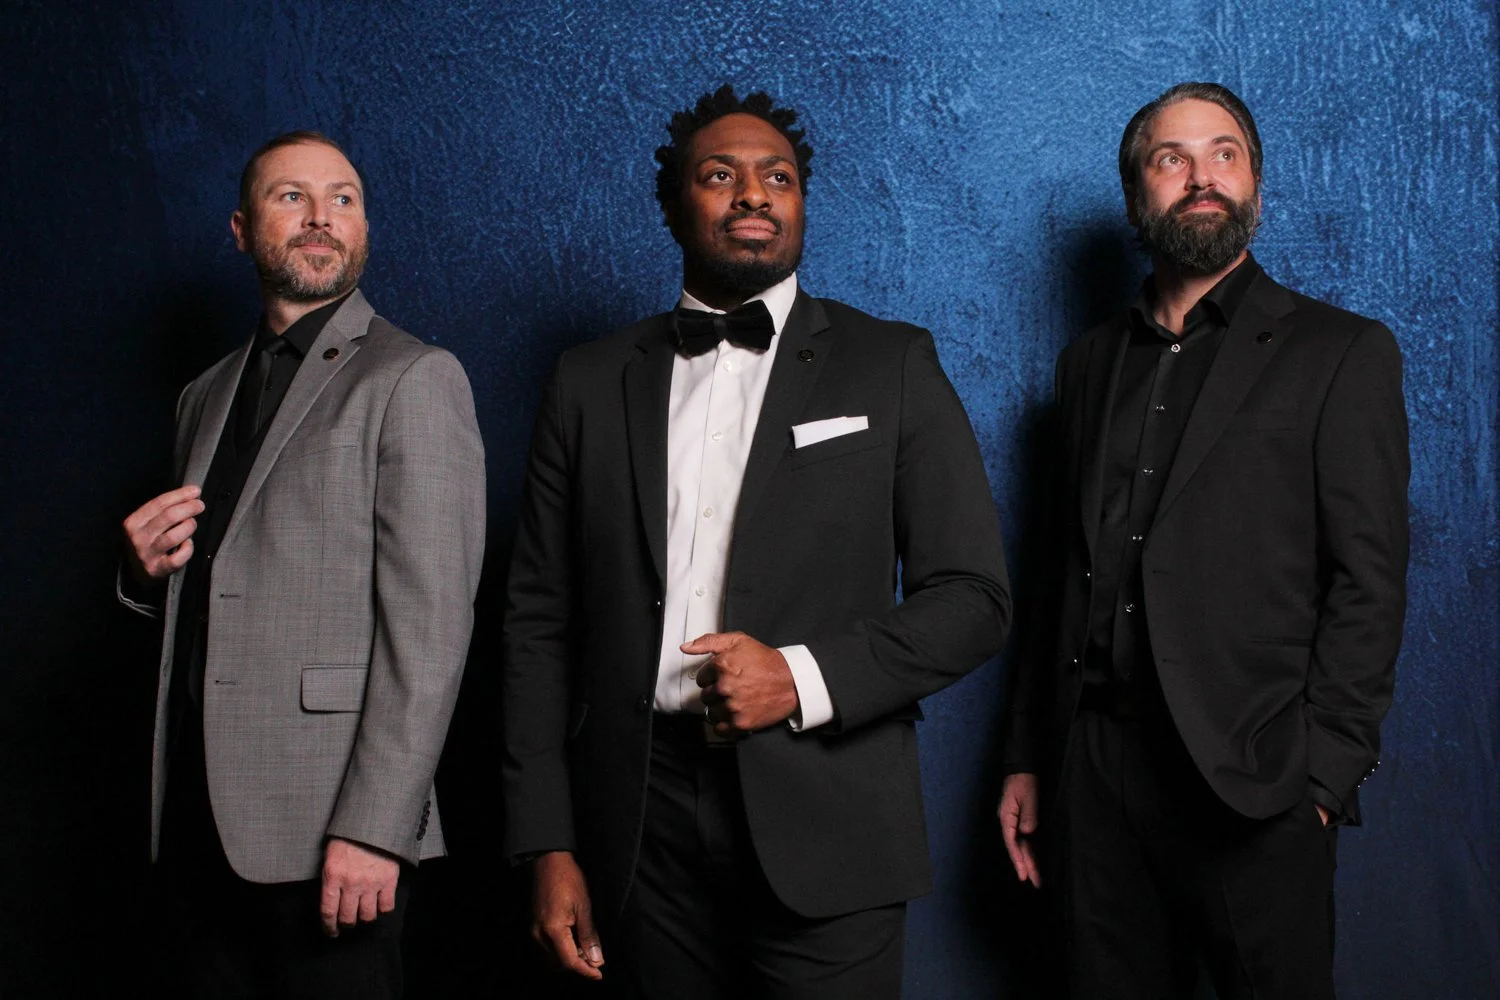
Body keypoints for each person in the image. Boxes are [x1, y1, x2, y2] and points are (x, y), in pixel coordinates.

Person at [501, 85, 1010, 998]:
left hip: (832, 819)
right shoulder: (586, 381)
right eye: (720, 175)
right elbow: (537, 622)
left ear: (801, 204)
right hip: (635, 830)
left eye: (777, 176)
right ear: (673, 206)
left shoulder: (892, 363)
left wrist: (802, 677)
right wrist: (547, 840)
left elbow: (974, 599)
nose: (752, 194)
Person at [997, 82, 1409, 999]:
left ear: (1256, 183)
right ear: (1139, 195)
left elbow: (1369, 581)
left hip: (1255, 783)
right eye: (1171, 159)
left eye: (1224, 154)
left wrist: (1323, 776)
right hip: (1092, 777)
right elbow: (1058, 571)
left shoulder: (1341, 353)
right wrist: (1030, 755)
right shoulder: (1087, 365)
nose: (1201, 178)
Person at [119, 130, 485, 998]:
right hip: (198, 832)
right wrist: (140, 581)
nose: (322, 217)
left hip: (335, 840)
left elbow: (431, 631)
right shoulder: (202, 394)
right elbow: (212, 594)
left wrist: (376, 828)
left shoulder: (414, 378)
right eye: (292, 196)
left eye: (344, 198)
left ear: (363, 228)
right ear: (242, 229)